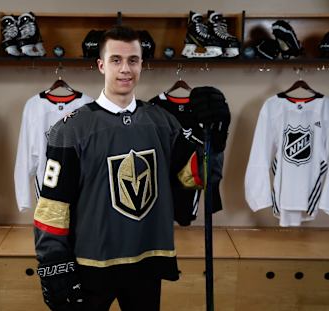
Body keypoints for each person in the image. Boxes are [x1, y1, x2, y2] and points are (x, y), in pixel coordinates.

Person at [34, 25, 203, 311]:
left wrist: (213, 141)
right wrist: (53, 261)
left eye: (133, 60)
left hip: (146, 261)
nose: (125, 69)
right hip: (91, 264)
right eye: (116, 60)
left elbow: (195, 178)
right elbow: (53, 203)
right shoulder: (71, 130)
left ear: (142, 64)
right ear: (101, 65)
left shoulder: (163, 123)